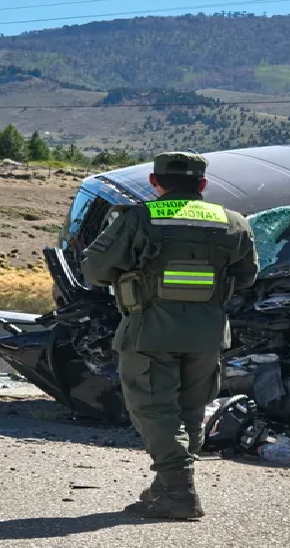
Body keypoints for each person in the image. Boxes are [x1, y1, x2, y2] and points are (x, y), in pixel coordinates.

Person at [81, 151, 260, 519]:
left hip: (150, 333)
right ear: (203, 185)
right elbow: (247, 277)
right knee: (190, 411)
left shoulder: (139, 219)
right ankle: (166, 487)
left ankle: (180, 491)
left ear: (155, 182)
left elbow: (96, 270)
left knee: (155, 410)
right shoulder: (234, 222)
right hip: (207, 335)